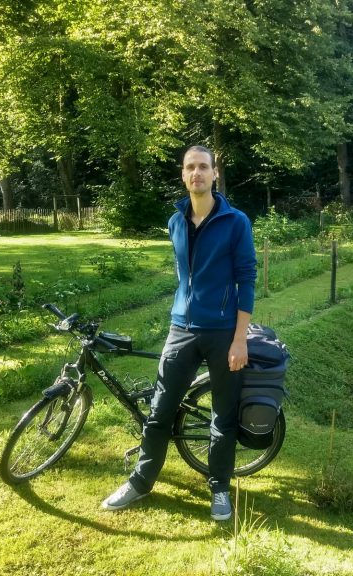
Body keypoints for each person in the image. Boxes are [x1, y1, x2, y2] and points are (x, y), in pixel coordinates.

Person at [101, 145, 257, 520]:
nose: (197, 173)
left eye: (204, 167)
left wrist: (239, 339)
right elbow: (183, 275)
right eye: (191, 167)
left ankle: (220, 488)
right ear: (183, 175)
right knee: (159, 412)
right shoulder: (175, 222)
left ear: (214, 174)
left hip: (222, 333)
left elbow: (247, 279)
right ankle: (140, 482)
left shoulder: (236, 221)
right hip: (181, 329)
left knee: (223, 417)